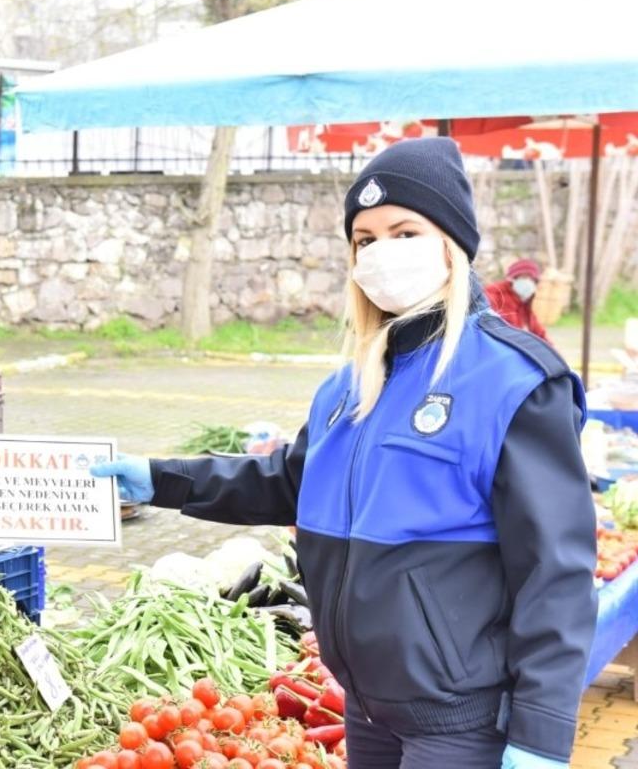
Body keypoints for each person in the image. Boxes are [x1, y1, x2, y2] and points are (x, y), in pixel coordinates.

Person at [92, 138, 596, 769]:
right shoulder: (350, 384)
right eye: (364, 240)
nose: (382, 253)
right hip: (364, 709)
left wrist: (542, 734)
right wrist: (162, 479)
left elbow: (557, 572)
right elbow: (289, 481)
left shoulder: (516, 381)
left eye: (404, 230)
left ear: (451, 242)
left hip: (461, 722)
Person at [485, 259, 549, 342]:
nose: (528, 282)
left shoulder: (524, 301)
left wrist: (551, 351)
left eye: (532, 279)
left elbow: (538, 331)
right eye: (524, 277)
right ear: (513, 279)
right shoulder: (495, 294)